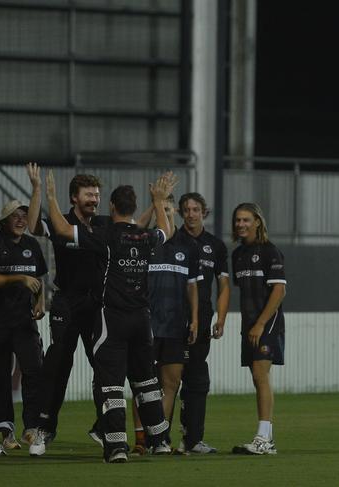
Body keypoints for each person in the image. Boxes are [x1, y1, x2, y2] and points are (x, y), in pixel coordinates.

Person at [44, 169, 175, 463]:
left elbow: (63, 231)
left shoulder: (104, 235)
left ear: (112, 207)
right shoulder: (145, 236)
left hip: (112, 320)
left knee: (111, 384)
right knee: (147, 382)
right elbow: (168, 231)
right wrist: (159, 201)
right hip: (143, 320)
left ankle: (116, 447)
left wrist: (51, 197)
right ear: (133, 206)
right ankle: (161, 440)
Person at [26, 163, 108, 455]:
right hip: (67, 302)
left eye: (97, 195)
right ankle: (44, 429)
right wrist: (38, 191)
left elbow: (131, 228)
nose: (94, 200)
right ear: (74, 197)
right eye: (89, 195)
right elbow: (34, 225)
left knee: (105, 365)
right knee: (58, 365)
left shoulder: (102, 224)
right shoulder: (62, 220)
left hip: (96, 303)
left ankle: (105, 428)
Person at [131, 193, 200, 454]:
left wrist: (194, 320)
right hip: (145, 326)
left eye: (170, 210)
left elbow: (193, 288)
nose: (166, 214)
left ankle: (160, 438)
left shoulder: (187, 247)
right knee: (142, 384)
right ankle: (140, 439)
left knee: (171, 384)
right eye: (162, 210)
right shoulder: (144, 241)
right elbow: (136, 226)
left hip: (175, 327)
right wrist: (155, 203)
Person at [0, 200, 47, 450]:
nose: (20, 220)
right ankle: (6, 431)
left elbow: (38, 279)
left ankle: (32, 428)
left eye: (24, 216)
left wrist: (40, 301)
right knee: (0, 376)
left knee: (35, 370)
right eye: (14, 216)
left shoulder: (32, 245)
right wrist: (19, 278)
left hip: (24, 320)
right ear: (3, 220)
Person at [230, 202, 286, 455]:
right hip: (249, 324)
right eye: (238, 220)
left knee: (260, 376)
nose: (241, 224)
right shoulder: (237, 255)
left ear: (257, 222)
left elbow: (279, 290)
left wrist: (261, 323)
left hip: (267, 323)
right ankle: (266, 438)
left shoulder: (269, 251)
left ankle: (264, 439)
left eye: (246, 220)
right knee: (256, 377)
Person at [176, 192, 230, 454]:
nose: (191, 214)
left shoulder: (216, 246)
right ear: (180, 213)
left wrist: (221, 317)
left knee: (197, 378)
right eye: (186, 209)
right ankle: (156, 439)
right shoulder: (172, 240)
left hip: (204, 317)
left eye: (195, 209)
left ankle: (192, 439)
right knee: (168, 379)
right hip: (172, 317)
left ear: (204, 213)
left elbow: (223, 284)